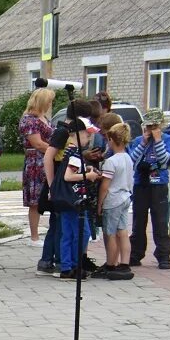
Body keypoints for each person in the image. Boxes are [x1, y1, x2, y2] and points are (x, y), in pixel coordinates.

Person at [49, 99, 101, 282]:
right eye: (86, 135)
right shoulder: (76, 153)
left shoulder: (70, 153)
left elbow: (69, 171)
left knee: (69, 233)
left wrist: (85, 170)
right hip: (74, 200)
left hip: (67, 199)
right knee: (81, 232)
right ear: (76, 135)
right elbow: (68, 177)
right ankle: (73, 265)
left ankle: (67, 266)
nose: (88, 139)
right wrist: (89, 176)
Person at [128, 109, 170, 270]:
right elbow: (132, 162)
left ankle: (163, 255)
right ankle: (135, 253)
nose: (151, 129)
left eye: (154, 126)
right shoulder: (138, 141)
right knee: (138, 221)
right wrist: (143, 143)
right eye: (148, 126)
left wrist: (157, 140)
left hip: (159, 184)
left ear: (161, 125)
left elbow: (163, 161)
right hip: (140, 184)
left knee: (160, 220)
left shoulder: (168, 139)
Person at [95, 123, 135, 279]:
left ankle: (110, 264)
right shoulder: (128, 158)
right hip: (125, 197)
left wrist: (100, 203)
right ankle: (124, 264)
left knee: (110, 233)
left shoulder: (111, 161)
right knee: (123, 232)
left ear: (111, 140)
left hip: (112, 201)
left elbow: (105, 186)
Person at [19, 88, 56, 245]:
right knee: (35, 200)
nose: (50, 104)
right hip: (36, 162)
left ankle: (47, 233)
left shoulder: (44, 117)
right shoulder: (29, 120)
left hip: (48, 159)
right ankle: (34, 236)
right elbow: (38, 143)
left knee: (50, 195)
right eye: (49, 101)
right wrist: (57, 151)